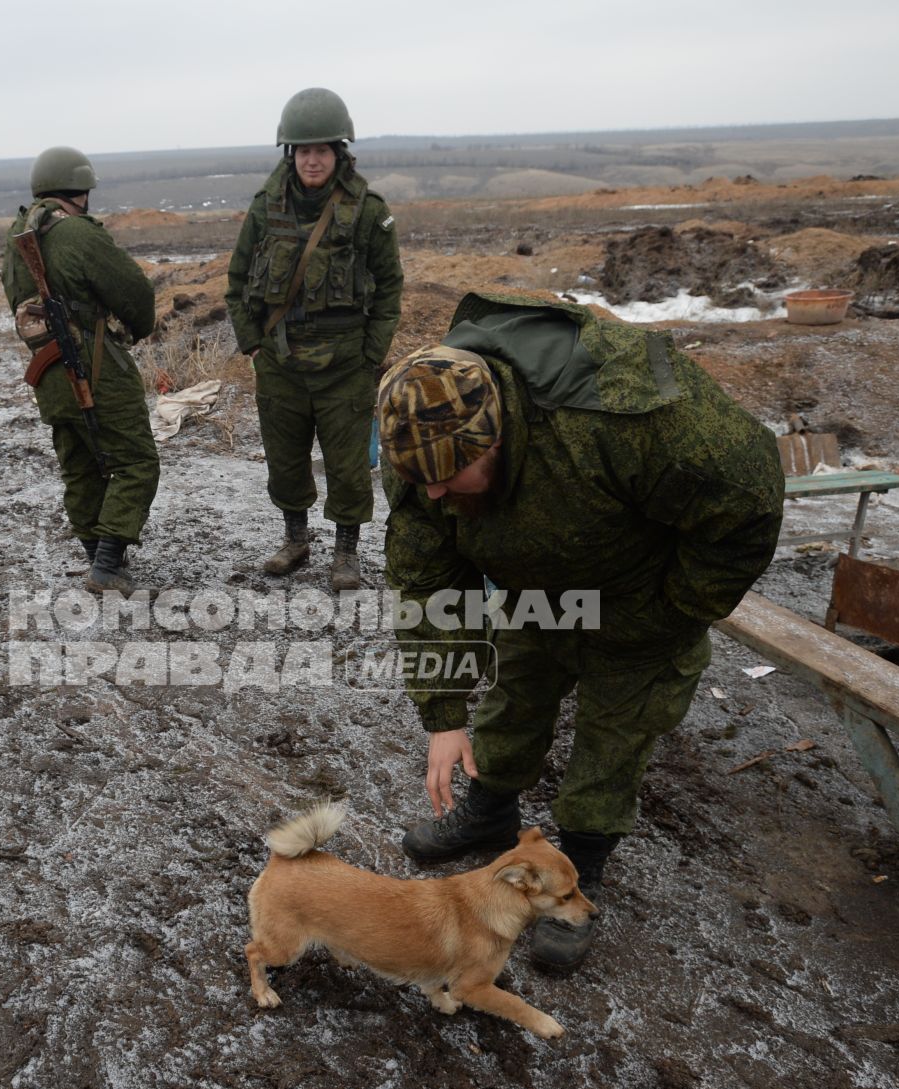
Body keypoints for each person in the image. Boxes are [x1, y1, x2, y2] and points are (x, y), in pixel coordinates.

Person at [378, 291, 784, 970]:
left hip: (641, 593)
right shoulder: (424, 447)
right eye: (422, 482)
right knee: (517, 695)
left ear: (496, 438)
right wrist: (444, 714)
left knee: (616, 726)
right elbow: (427, 582)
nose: (437, 495)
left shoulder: (625, 412)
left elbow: (746, 506)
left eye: (450, 477)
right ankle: (491, 812)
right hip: (539, 588)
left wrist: (672, 611)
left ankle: (583, 861)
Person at [226, 87, 404, 591]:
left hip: (345, 361)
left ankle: (346, 552)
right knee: (285, 459)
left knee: (348, 464)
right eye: (303, 151)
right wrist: (252, 344)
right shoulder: (266, 207)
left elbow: (390, 286)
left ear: (339, 153)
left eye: (321, 150)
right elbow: (237, 281)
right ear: (290, 154)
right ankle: (296, 539)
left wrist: (372, 353)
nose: (312, 160)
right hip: (280, 359)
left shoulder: (367, 210)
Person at [2, 146, 158, 596]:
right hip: (92, 364)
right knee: (135, 461)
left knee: (80, 463)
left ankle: (96, 558)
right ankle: (108, 565)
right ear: (81, 192)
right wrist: (133, 329)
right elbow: (134, 295)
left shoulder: (16, 235)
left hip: (45, 369)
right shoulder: (78, 235)